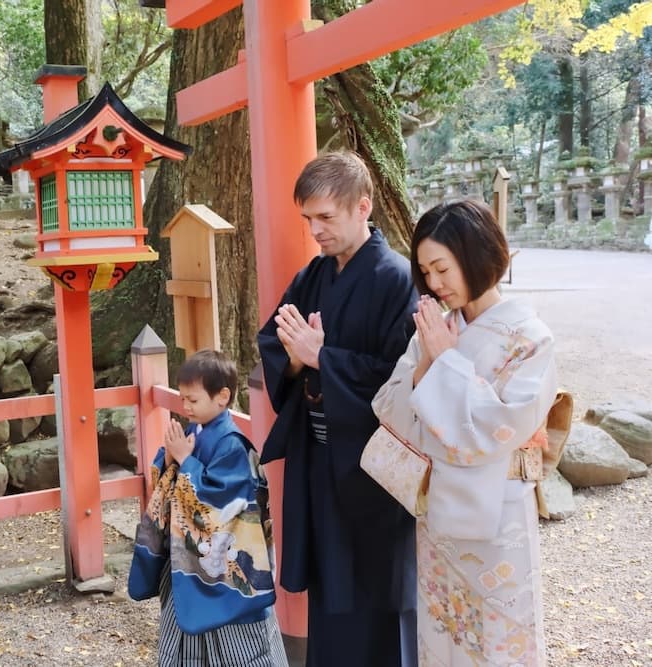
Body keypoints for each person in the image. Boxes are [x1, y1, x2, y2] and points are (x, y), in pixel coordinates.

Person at [372, 200, 557, 666]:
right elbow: (389, 407)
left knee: (498, 635)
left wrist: (447, 363)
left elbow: (499, 428)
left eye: (442, 268)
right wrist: (429, 363)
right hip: (437, 512)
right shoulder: (436, 329)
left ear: (475, 257)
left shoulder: (530, 338)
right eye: (425, 271)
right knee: (443, 629)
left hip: (498, 511)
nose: (433, 283)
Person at [257, 151, 419, 666]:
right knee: (330, 591)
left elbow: (404, 376)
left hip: (373, 471)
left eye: (325, 217)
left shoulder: (397, 278)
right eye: (308, 219)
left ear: (362, 207)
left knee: (379, 595)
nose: (315, 230)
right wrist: (298, 356)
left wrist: (320, 357)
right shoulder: (315, 275)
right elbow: (272, 338)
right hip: (323, 461)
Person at [128, 349, 288, 666]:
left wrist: (185, 461)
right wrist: (171, 461)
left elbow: (226, 504)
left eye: (193, 400)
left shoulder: (234, 445)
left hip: (228, 578)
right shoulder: (192, 433)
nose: (185, 407)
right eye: (182, 398)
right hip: (186, 571)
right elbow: (168, 483)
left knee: (241, 653)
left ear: (222, 397)